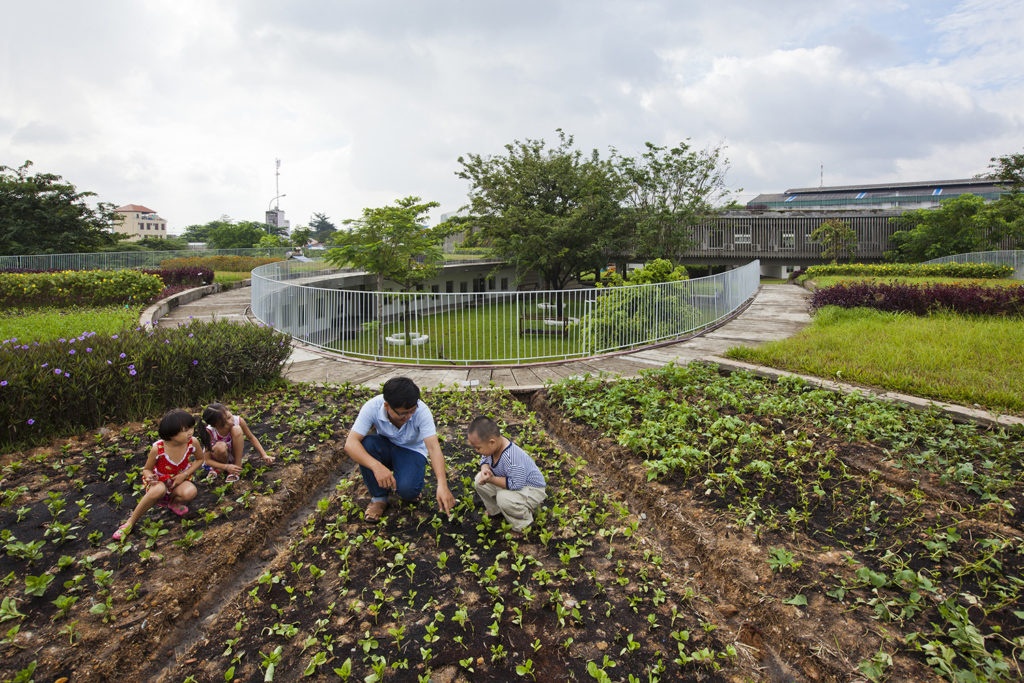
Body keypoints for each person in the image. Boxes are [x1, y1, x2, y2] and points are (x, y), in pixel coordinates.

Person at [345, 377, 455, 520]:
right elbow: (350, 444)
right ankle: (379, 498)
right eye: (402, 413)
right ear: (387, 406)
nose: (408, 417)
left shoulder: (422, 411)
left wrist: (442, 485)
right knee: (367, 444)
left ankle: (407, 483)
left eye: (412, 411)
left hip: (411, 451)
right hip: (385, 446)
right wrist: (376, 466)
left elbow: (433, 447)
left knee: (408, 492)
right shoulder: (372, 407)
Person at [113, 409, 203, 540]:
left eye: (191, 428)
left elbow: (200, 459)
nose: (190, 432)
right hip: (160, 480)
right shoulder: (158, 449)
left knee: (190, 492)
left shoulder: (192, 442)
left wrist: (184, 474)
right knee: (158, 490)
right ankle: (130, 522)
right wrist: (150, 477)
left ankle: (172, 502)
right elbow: (147, 469)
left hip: (178, 480)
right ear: (171, 433)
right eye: (185, 430)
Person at [468, 416, 547, 533]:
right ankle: (496, 511)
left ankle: (524, 524)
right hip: (510, 482)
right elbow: (484, 458)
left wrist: (492, 479)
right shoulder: (492, 448)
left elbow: (516, 484)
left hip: (531, 488)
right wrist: (485, 468)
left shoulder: (510, 458)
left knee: (504, 499)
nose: (477, 451)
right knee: (479, 481)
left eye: (478, 448)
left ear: (491, 442)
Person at [198, 403, 274, 482]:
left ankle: (237, 466)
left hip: (233, 453)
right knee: (220, 446)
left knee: (237, 429)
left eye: (229, 417)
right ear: (215, 426)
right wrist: (226, 466)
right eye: (224, 424)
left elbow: (251, 437)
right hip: (218, 457)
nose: (230, 422)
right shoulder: (210, 431)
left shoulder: (238, 421)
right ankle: (219, 468)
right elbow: (207, 460)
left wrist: (264, 455)